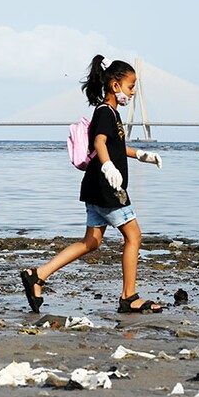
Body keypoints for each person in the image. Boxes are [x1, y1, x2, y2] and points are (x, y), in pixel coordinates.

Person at [20, 55, 163, 314]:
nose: (132, 92)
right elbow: (99, 143)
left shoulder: (109, 113)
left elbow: (115, 145)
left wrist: (142, 155)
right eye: (131, 86)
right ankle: (129, 296)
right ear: (115, 85)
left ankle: (38, 275)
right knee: (134, 236)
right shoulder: (105, 112)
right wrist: (109, 167)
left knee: (92, 241)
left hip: (94, 188)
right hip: (107, 188)